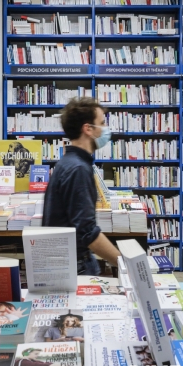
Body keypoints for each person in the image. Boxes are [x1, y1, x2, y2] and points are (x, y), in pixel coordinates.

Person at [42, 97, 121, 275]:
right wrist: (124, 263)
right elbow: (87, 232)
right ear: (88, 129)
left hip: (67, 259)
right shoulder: (78, 169)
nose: (106, 129)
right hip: (75, 264)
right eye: (102, 123)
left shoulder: (67, 163)